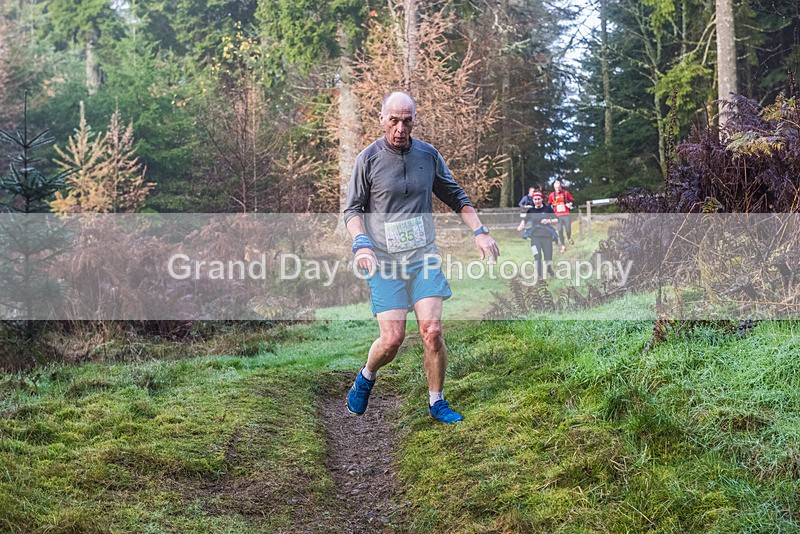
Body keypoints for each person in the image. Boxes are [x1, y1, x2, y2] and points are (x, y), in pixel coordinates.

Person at [343, 91, 500, 424]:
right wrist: (362, 243)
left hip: (423, 256)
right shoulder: (367, 159)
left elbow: (457, 196)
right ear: (381, 118)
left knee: (431, 330)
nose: (400, 128)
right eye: (394, 120)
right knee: (392, 339)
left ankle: (436, 401)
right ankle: (367, 374)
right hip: (383, 261)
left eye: (407, 120)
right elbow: (353, 210)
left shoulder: (428, 155)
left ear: (414, 120)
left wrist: (480, 231)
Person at [517, 191, 558, 279]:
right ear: (533, 200)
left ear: (542, 199)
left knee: (548, 258)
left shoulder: (547, 209)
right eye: (535, 199)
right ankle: (539, 277)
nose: (537, 201)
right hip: (535, 238)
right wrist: (521, 224)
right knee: (537, 257)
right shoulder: (531, 210)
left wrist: (548, 221)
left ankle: (549, 269)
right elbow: (524, 219)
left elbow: (556, 220)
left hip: (547, 237)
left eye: (539, 199)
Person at [547, 180, 575, 252]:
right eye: (556, 188)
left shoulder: (565, 193)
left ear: (561, 186)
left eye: (559, 187)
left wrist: (570, 204)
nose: (558, 189)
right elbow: (549, 205)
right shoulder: (552, 195)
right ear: (554, 188)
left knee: (568, 229)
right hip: (557, 216)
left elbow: (572, 200)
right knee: (560, 230)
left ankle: (569, 238)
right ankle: (563, 245)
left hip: (566, 214)